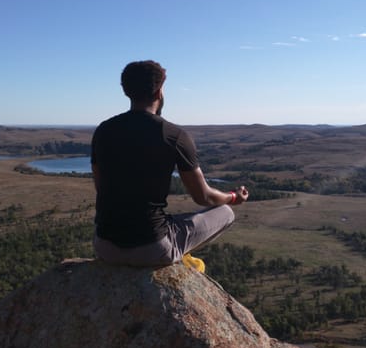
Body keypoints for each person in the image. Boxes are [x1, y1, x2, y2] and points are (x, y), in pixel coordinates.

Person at [91, 60, 249, 268]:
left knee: (171, 220)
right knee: (226, 212)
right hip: (152, 248)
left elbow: (100, 186)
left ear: (126, 92)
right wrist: (233, 197)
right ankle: (178, 257)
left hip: (104, 245)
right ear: (159, 92)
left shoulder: (104, 130)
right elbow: (204, 197)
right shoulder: (173, 135)